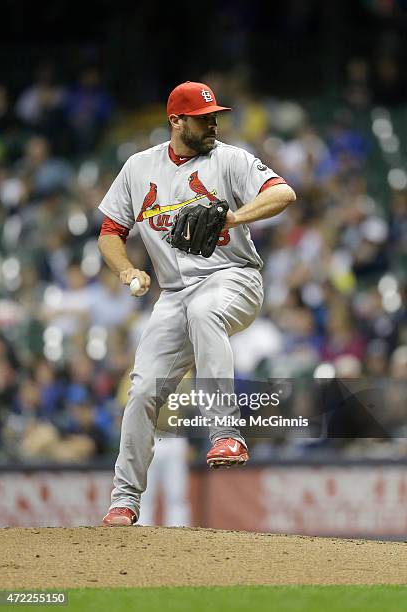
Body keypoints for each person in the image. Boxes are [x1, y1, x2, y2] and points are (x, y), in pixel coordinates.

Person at [98, 81, 296, 526]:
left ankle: (227, 433)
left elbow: (284, 193)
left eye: (215, 115)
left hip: (234, 277)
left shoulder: (230, 158)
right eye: (204, 117)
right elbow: (110, 232)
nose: (214, 123)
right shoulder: (138, 168)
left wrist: (235, 215)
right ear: (175, 121)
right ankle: (124, 500)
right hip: (173, 293)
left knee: (206, 312)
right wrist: (127, 271)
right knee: (143, 390)